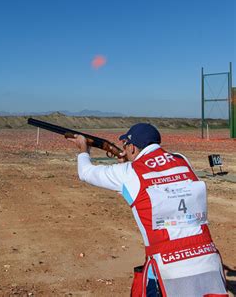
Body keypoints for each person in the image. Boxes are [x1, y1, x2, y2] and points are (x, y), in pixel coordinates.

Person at [67, 123, 228, 297]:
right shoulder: (182, 160)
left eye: (125, 146)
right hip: (209, 262)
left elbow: (86, 172)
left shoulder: (129, 172)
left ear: (133, 148)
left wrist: (84, 148)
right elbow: (161, 176)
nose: (124, 150)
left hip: (168, 270)